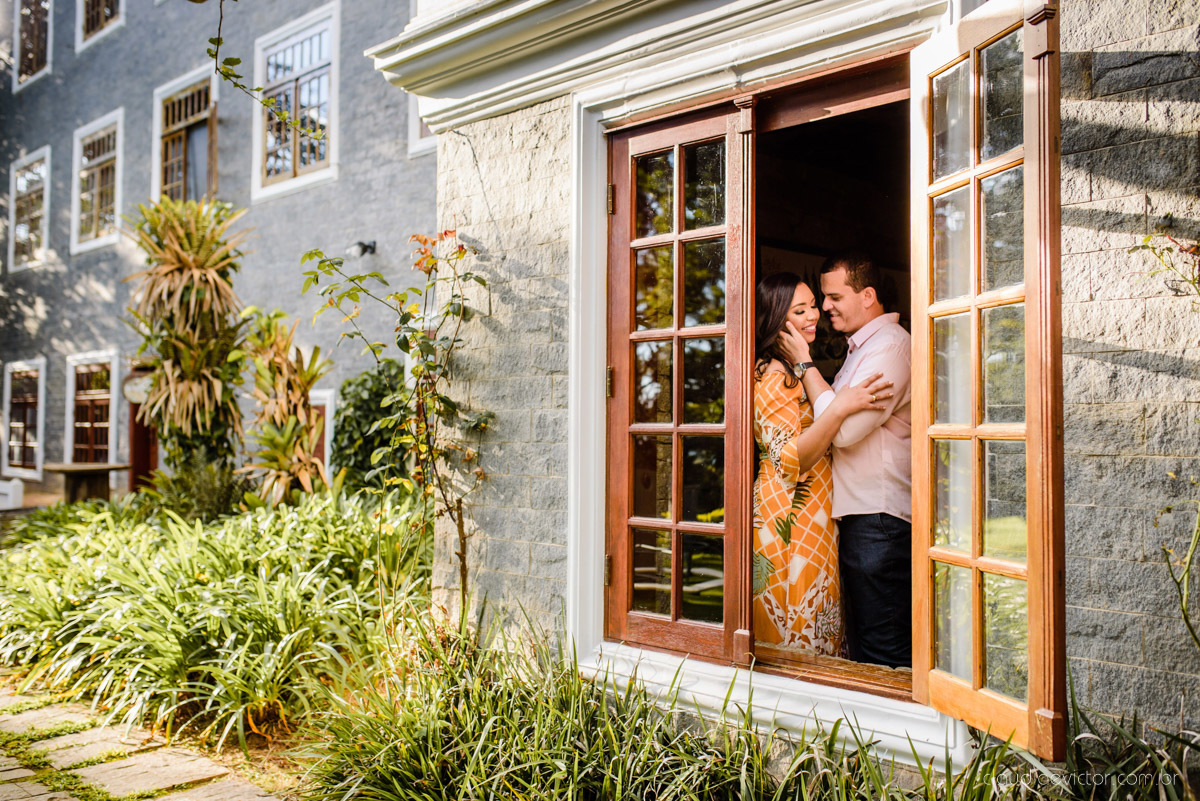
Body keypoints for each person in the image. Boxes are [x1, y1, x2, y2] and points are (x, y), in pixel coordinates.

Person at [778, 252, 912, 668]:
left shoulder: (891, 348)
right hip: (862, 517)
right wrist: (839, 404)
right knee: (866, 643)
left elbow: (849, 432)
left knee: (883, 650)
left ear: (867, 295)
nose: (825, 307)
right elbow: (839, 417)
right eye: (822, 297)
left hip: (880, 519)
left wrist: (805, 366)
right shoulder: (862, 349)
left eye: (834, 296)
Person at [752, 272, 893, 657]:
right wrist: (842, 405)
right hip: (789, 512)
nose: (814, 315)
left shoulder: (794, 372)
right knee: (798, 621)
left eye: (813, 305)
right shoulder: (772, 375)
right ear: (777, 320)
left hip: (814, 509)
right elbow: (790, 459)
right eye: (800, 310)